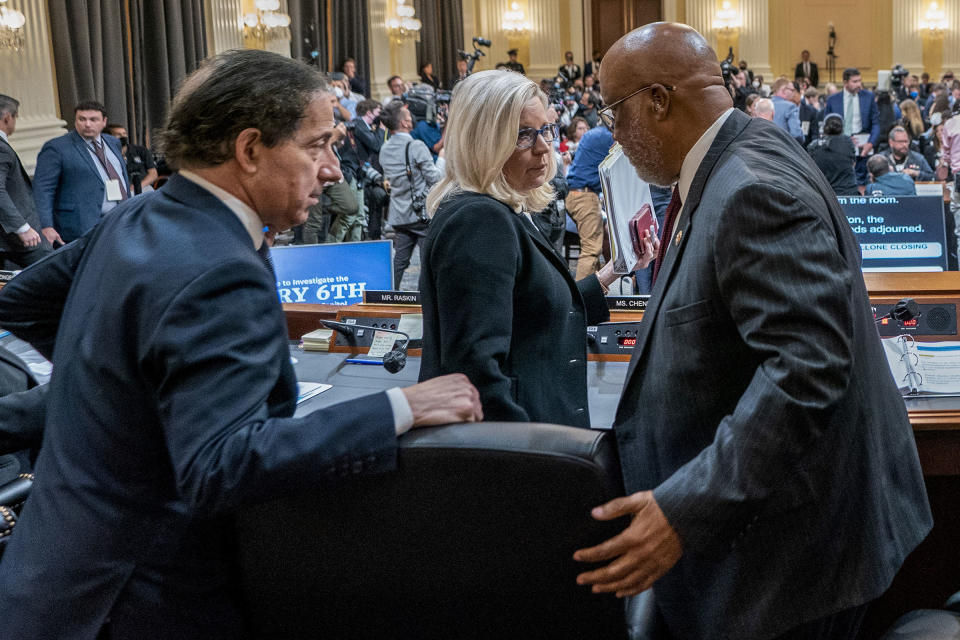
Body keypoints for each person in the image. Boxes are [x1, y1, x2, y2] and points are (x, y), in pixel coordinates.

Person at [0, 49, 482, 639]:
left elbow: (20, 301)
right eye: (316, 145)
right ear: (250, 149)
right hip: (135, 599)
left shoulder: (139, 215)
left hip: (50, 577)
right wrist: (401, 407)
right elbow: (221, 465)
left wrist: (124, 388)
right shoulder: (219, 267)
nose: (331, 168)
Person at [574, 23, 931, 640]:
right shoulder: (745, 151)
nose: (610, 133)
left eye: (613, 110)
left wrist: (684, 510)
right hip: (777, 541)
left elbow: (806, 371)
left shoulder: (750, 190)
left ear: (658, 101)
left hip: (790, 564)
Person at [418, 70, 656, 426]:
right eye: (522, 135)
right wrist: (541, 458)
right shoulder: (479, 221)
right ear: (483, 142)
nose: (545, 146)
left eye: (545, 129)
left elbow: (536, 312)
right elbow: (476, 376)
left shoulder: (506, 209)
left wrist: (612, 271)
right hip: (521, 450)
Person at [33, 100, 131, 245]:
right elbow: (43, 189)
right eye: (82, 119)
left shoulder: (113, 142)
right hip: (81, 226)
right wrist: (46, 225)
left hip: (120, 220)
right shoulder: (57, 147)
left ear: (104, 122)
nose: (87, 124)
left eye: (93, 119)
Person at [379, 100, 443, 287]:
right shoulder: (416, 146)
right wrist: (443, 160)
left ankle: (389, 298)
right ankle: (427, 301)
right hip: (420, 215)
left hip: (399, 214)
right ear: (404, 123)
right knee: (428, 263)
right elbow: (435, 179)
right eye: (408, 117)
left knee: (399, 261)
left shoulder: (384, 149)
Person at [0, 94, 52, 268]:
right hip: (17, 238)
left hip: (10, 239)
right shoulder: (1, 149)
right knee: (51, 277)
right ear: (8, 118)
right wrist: (22, 228)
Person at [824, 68, 880, 188]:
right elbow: (826, 126)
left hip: (864, 144)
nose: (859, 84)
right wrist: (842, 140)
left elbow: (876, 123)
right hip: (840, 145)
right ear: (845, 83)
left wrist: (871, 143)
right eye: (854, 81)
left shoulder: (868, 97)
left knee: (864, 182)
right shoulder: (832, 100)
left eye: (859, 81)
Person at [807, 113, 859, 196]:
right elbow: (853, 163)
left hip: (823, 195)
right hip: (848, 194)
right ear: (842, 128)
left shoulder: (813, 146)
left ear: (823, 127)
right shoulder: (848, 142)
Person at [105, 123, 159, 194]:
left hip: (143, 187)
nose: (123, 136)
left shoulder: (141, 150)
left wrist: (137, 187)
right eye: (118, 135)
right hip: (118, 190)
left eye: (124, 134)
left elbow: (153, 174)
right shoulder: (105, 153)